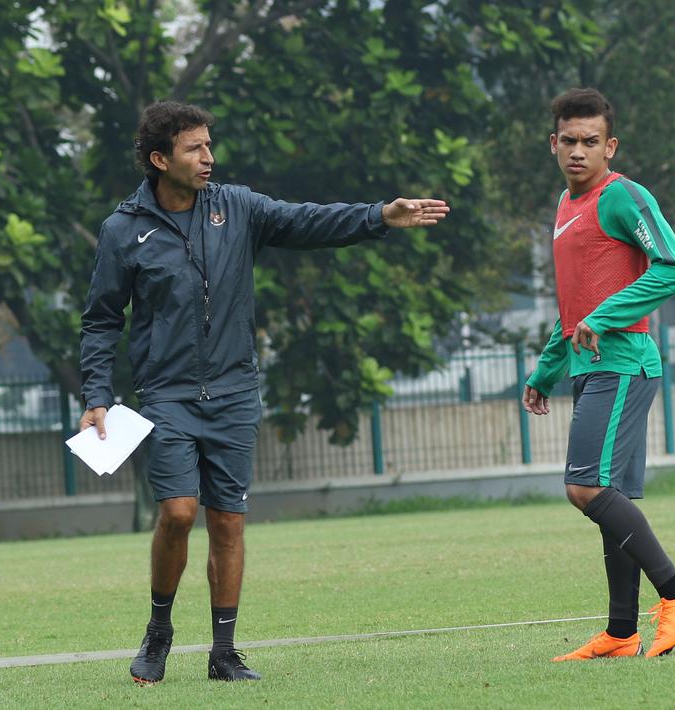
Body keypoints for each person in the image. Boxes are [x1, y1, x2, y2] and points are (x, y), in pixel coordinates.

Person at [78, 101, 449, 684]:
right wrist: (96, 395)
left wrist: (380, 214)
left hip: (233, 392)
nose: (209, 157)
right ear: (159, 159)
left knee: (228, 522)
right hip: (167, 397)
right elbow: (101, 319)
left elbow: (308, 221)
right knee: (177, 513)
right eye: (194, 148)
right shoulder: (124, 229)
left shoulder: (237, 207)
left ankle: (224, 653)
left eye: (209, 144)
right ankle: (159, 632)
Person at [523, 88, 675, 661]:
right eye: (569, 141)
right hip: (589, 366)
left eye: (591, 142)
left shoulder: (622, 196)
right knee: (614, 496)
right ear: (554, 143)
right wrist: (546, 369)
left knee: (585, 486)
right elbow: (574, 306)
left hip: (625, 363)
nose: (579, 151)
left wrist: (605, 317)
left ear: (610, 146)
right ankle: (622, 632)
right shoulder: (564, 204)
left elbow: (674, 265)